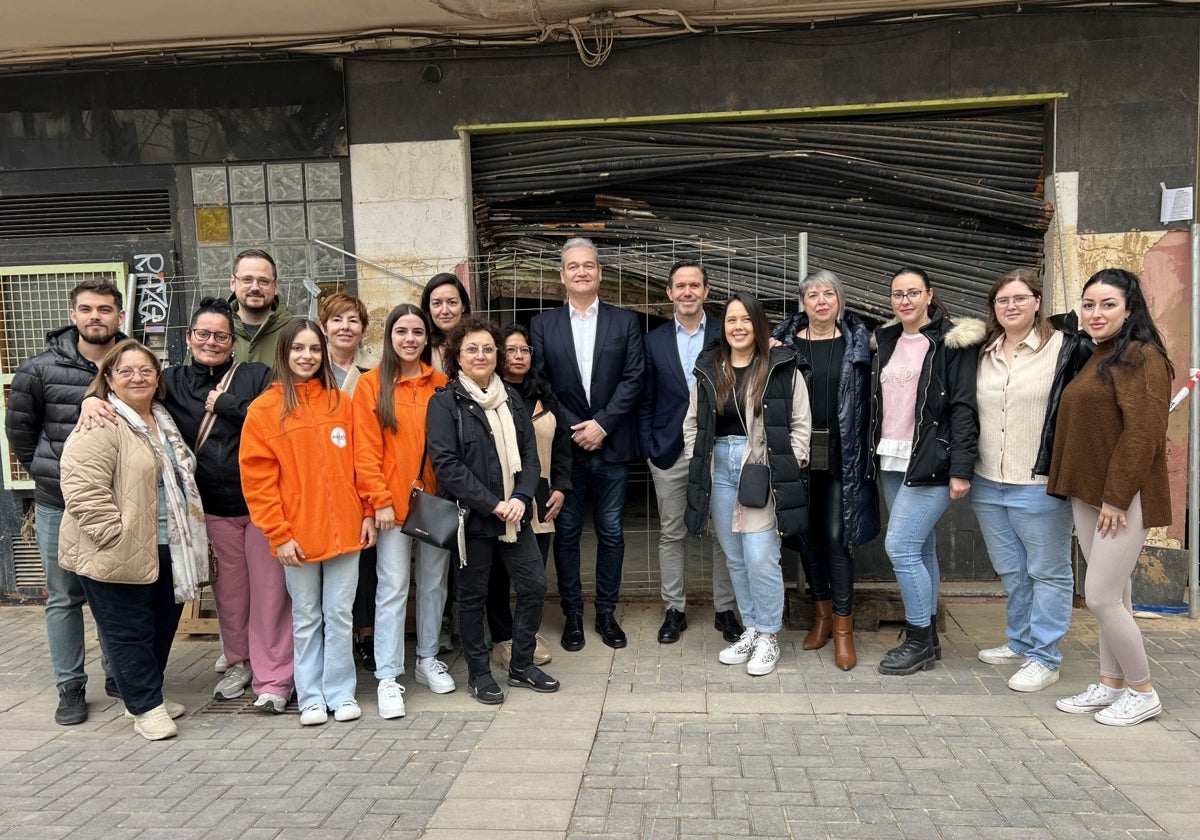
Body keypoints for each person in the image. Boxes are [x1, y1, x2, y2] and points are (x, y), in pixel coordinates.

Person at [59, 340, 209, 740]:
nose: (136, 378)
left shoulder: (163, 419)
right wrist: (113, 535)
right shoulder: (101, 421)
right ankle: (144, 707)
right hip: (119, 547)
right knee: (128, 632)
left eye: (145, 370)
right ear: (108, 378)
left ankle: (144, 695)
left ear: (158, 378)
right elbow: (81, 489)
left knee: (161, 627)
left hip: (169, 546)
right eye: (124, 371)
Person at [1049, 268, 1173, 726]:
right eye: (1089, 304)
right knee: (1115, 593)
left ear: (1130, 309)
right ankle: (1110, 684)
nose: (1095, 313)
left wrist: (1117, 498)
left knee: (1100, 597)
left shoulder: (1142, 357)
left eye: (1107, 305)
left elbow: (1143, 435)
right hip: (1090, 493)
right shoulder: (1098, 355)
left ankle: (1143, 692)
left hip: (1123, 497)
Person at [240, 320, 376, 726]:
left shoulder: (341, 404)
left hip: (348, 531)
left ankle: (340, 691)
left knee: (339, 614)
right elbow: (258, 481)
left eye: (314, 349)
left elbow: (362, 462)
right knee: (305, 616)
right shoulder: (264, 410)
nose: (307, 356)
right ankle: (311, 695)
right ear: (284, 353)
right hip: (296, 535)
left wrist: (368, 511)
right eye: (298, 348)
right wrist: (278, 534)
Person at [5, 278, 125, 725]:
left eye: (105, 309)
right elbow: (21, 433)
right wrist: (47, 473)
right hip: (58, 503)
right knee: (63, 597)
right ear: (73, 315)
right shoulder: (38, 370)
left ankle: (120, 673)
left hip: (119, 503)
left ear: (119, 316)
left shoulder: (132, 364)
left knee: (116, 592)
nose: (96, 317)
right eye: (87, 309)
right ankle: (70, 686)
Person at [427, 315, 560, 704]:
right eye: (472, 348)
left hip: (516, 516)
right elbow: (446, 466)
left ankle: (520, 665)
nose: (481, 355)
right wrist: (493, 504)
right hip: (474, 519)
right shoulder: (445, 402)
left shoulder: (512, 399)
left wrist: (519, 498)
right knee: (472, 597)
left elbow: (531, 456)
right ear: (456, 355)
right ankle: (480, 674)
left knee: (534, 585)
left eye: (488, 348)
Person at [972, 268, 1089, 692]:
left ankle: (1045, 657)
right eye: (1003, 300)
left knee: (1048, 572)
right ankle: (1020, 641)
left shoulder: (1067, 348)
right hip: (987, 481)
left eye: (1020, 298)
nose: (1012, 306)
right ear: (994, 308)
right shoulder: (983, 351)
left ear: (1037, 302)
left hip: (1039, 482)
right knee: (1012, 571)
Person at [683, 293, 811, 677]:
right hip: (718, 465)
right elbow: (692, 422)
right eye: (731, 320)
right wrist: (697, 457)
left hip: (760, 468)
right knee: (735, 556)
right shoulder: (709, 368)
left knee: (760, 556)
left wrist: (793, 461)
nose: (738, 327)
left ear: (758, 325)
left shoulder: (780, 366)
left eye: (746, 320)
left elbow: (800, 421)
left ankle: (770, 634)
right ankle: (752, 628)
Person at [531, 237, 645, 651]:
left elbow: (635, 378)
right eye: (573, 266)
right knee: (567, 534)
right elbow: (540, 381)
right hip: (567, 448)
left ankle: (606, 613)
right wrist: (575, 427)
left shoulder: (625, 321)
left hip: (611, 446)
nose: (582, 271)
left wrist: (603, 424)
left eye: (589, 265)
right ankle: (574, 615)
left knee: (612, 532)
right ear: (562, 275)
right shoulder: (543, 325)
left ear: (600, 273)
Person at [869, 267, 983, 675]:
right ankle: (929, 637)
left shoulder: (952, 342)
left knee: (899, 547)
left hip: (932, 460)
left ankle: (917, 639)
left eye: (913, 292)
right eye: (897, 294)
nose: (905, 301)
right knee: (921, 548)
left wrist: (961, 468)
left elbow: (963, 407)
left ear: (929, 295)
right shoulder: (885, 340)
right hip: (891, 459)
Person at [772, 269, 879, 670]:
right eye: (812, 295)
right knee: (806, 537)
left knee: (836, 539)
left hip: (842, 457)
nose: (820, 301)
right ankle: (820, 616)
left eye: (828, 294)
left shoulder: (859, 347)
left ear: (840, 300)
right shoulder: (782, 345)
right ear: (803, 303)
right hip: (797, 455)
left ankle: (843, 629)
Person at [353, 304, 455, 720]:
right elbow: (364, 450)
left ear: (427, 338)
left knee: (433, 583)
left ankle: (427, 657)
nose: (410, 339)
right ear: (389, 337)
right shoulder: (370, 386)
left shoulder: (444, 384)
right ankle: (388, 675)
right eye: (401, 331)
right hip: (391, 506)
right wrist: (378, 500)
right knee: (392, 587)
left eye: (417, 331)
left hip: (434, 502)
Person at [641, 260, 742, 645]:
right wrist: (649, 446)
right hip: (668, 449)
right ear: (669, 293)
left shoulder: (726, 332)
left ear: (706, 291)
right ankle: (674, 610)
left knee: (723, 532)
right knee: (671, 531)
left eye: (694, 285)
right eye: (680, 286)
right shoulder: (653, 340)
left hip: (717, 444)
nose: (687, 292)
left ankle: (725, 610)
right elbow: (645, 398)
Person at [488, 322, 570, 669]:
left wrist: (562, 488)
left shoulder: (545, 396)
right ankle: (502, 639)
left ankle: (526, 634)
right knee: (498, 574)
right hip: (501, 499)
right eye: (510, 350)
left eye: (524, 350)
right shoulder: (489, 396)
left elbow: (564, 448)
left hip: (540, 499)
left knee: (534, 573)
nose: (518, 356)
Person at [319, 293, 378, 674]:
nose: (345, 327)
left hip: (360, 486)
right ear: (324, 326)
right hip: (317, 486)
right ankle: (327, 645)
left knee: (365, 567)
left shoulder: (371, 378)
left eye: (353, 320)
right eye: (337, 320)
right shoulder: (308, 374)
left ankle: (366, 634)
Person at [229, 248, 293, 364]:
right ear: (233, 283)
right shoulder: (214, 333)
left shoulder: (294, 333)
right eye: (247, 280)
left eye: (263, 281)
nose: (255, 288)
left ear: (275, 286)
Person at [421, 272, 471, 374]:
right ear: (428, 309)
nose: (445, 311)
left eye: (452, 302)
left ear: (463, 306)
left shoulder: (478, 340)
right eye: (437, 303)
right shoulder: (422, 347)